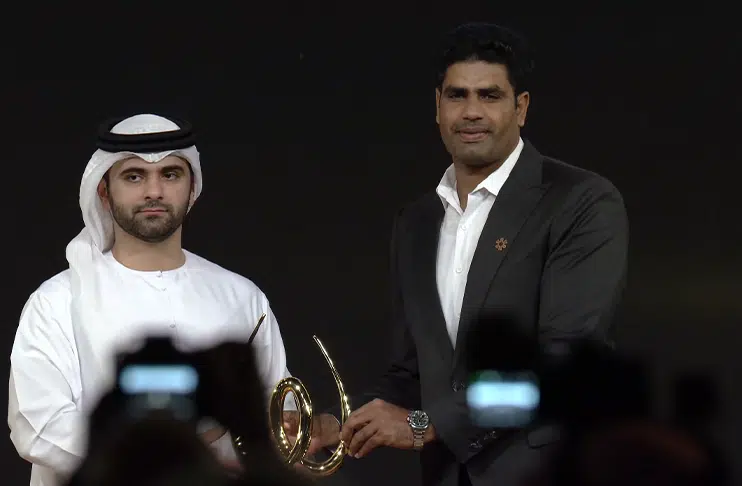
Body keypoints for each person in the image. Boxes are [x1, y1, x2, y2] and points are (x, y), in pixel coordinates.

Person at [283, 22, 629, 486]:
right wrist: (336, 424)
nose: (471, 112)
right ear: (438, 106)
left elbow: (565, 367)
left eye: (490, 96)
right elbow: (414, 373)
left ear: (521, 107)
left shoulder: (580, 201)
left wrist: (428, 425)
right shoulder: (416, 223)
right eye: (457, 95)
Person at [8, 114, 294, 486]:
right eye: (134, 176)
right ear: (104, 192)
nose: (154, 192)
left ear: (192, 188)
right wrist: (177, 451)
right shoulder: (55, 303)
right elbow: (38, 428)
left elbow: (275, 415)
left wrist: (297, 428)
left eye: (170, 174)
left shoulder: (242, 298)